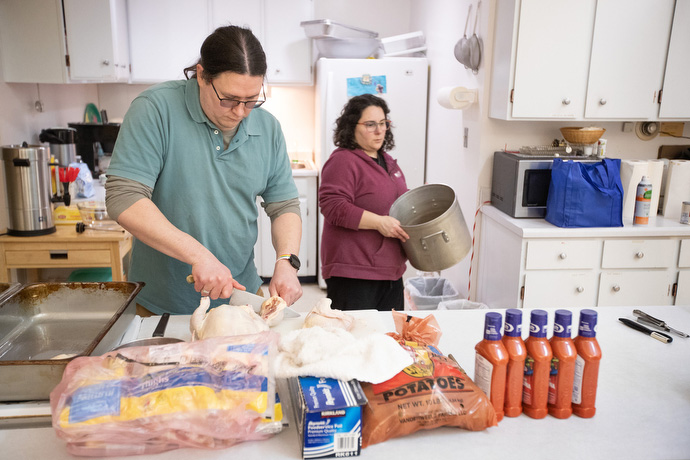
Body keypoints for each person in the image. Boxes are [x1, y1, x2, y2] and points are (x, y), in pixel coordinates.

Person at [105, 25, 303, 316]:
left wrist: (286, 261)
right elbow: (124, 197)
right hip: (163, 305)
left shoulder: (267, 127)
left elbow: (284, 204)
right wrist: (198, 256)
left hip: (242, 297)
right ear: (201, 76)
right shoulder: (155, 109)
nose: (240, 112)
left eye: (251, 101)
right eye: (229, 99)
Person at [318, 94, 410, 311]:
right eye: (370, 125)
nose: (379, 131)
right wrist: (379, 223)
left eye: (383, 123)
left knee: (388, 338)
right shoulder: (343, 160)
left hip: (390, 270)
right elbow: (332, 205)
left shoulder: (387, 162)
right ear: (352, 127)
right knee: (355, 340)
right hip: (354, 271)